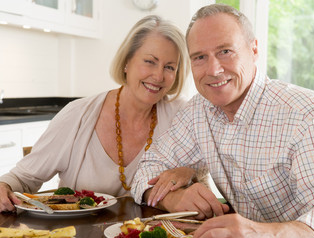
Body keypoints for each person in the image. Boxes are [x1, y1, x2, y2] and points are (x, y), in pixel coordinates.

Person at [131, 4, 314, 238]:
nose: (214, 69)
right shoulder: (198, 110)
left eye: (225, 51)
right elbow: (146, 170)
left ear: (254, 50)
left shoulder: (308, 114)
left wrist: (261, 233)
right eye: (200, 57)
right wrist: (173, 198)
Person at [0, 15, 202, 212]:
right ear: (126, 62)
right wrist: (4, 187)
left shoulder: (181, 115)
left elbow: (203, 166)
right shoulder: (77, 115)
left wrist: (189, 172)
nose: (158, 76)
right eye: (149, 61)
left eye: (169, 67)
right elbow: (23, 178)